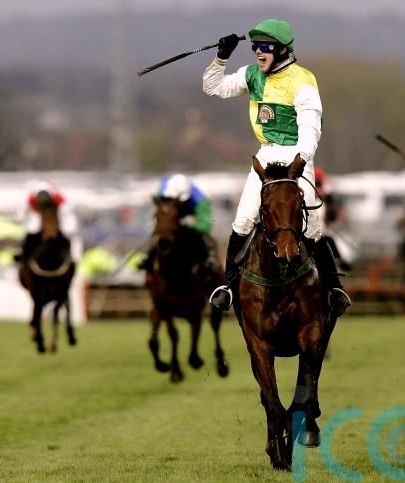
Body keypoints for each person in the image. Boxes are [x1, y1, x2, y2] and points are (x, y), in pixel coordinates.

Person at [202, 18, 351, 316]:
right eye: (255, 46)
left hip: (297, 156)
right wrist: (221, 57)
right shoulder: (252, 75)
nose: (258, 51)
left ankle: (334, 289)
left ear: (282, 49)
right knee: (242, 220)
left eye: (265, 46)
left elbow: (310, 127)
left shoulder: (302, 80)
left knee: (312, 226)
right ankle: (228, 287)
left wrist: (301, 160)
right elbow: (212, 87)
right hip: (266, 156)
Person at [139, 174, 221, 275]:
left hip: (191, 216)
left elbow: (205, 227)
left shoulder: (201, 200)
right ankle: (147, 256)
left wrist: (193, 224)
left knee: (203, 236)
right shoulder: (163, 189)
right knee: (161, 229)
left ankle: (210, 258)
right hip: (172, 217)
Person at [15, 181, 82, 263]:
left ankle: (74, 256)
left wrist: (67, 229)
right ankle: (22, 252)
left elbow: (67, 217)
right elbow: (23, 215)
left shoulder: (59, 200)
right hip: (38, 217)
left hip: (57, 217)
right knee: (29, 233)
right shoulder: (31, 199)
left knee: (69, 235)